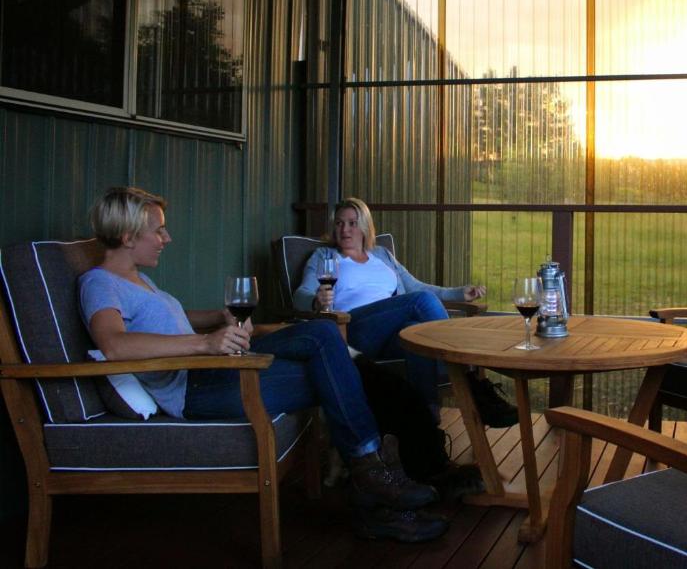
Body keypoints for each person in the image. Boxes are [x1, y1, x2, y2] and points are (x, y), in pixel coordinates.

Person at [77, 186, 446, 543]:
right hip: (196, 388)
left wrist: (217, 318)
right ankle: (376, 483)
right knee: (339, 367)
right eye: (158, 230)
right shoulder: (100, 282)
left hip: (218, 369)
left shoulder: (138, 280)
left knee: (322, 334)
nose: (166, 238)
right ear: (127, 237)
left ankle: (375, 482)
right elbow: (113, 343)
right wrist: (205, 342)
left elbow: (170, 320)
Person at [293, 198, 517, 428]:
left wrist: (459, 293)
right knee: (419, 304)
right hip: (351, 331)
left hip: (390, 333)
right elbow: (301, 294)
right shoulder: (324, 257)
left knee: (415, 334)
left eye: (352, 223)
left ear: (364, 226)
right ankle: (472, 382)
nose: (345, 229)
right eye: (339, 224)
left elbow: (416, 287)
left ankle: (427, 422)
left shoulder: (382, 255)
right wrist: (315, 300)